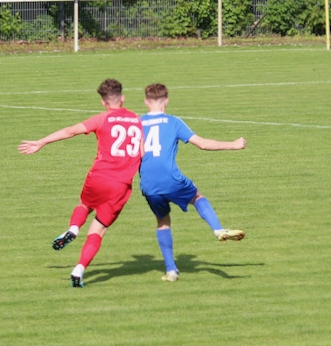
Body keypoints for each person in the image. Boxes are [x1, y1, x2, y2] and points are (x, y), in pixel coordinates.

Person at [18, 79, 142, 287]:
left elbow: (70, 131)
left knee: (85, 204)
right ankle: (79, 269)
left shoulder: (102, 119)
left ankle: (74, 228)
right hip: (121, 185)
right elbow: (143, 153)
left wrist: (41, 142)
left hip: (98, 177)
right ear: (122, 98)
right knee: (98, 230)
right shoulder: (138, 121)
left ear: (103, 102)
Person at [139, 83, 246, 282]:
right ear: (166, 101)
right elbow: (202, 144)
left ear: (146, 101)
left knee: (163, 222)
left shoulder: (136, 123)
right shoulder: (173, 122)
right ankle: (217, 229)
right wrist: (233, 145)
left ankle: (171, 271)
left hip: (148, 184)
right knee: (197, 197)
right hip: (171, 178)